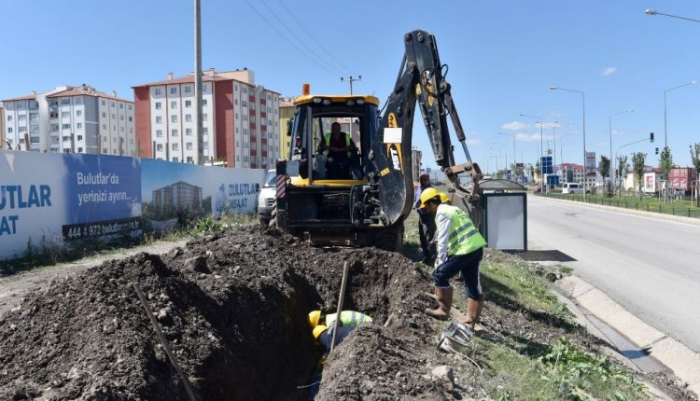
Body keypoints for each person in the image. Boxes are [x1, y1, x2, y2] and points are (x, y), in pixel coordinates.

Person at [420, 188, 487, 329]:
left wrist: (441, 260)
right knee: (473, 284)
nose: (426, 211)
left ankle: (443, 310)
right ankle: (471, 321)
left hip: (465, 250)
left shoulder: (442, 213)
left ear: (432, 203)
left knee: (440, 275)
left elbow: (443, 238)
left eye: (426, 207)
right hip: (475, 248)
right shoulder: (454, 210)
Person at [413, 173, 437, 264]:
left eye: (425, 179)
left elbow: (423, 200)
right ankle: (426, 256)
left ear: (428, 179)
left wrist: (417, 204)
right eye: (421, 180)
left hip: (429, 216)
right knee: (422, 236)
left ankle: (432, 258)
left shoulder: (430, 190)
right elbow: (417, 197)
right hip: (421, 215)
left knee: (429, 237)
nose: (423, 181)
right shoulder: (419, 187)